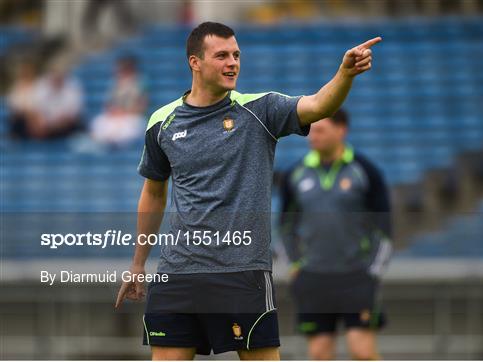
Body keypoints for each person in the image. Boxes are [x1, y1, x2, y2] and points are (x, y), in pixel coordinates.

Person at [115, 21, 381, 360]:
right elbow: (153, 194)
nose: (233, 63)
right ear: (194, 62)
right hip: (177, 274)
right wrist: (138, 265)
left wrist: (345, 74)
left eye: (236, 55)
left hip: (242, 273)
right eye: (222, 55)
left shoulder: (260, 109)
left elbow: (318, 106)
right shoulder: (162, 122)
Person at [279, 109, 392, 360]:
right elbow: (285, 227)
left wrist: (372, 271)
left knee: (361, 351)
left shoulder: (366, 171)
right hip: (314, 278)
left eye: (320, 130)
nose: (312, 137)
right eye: (310, 131)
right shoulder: (295, 174)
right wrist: (295, 267)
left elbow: (384, 229)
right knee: (319, 353)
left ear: (341, 130)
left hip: (356, 277)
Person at [90, 55, 147, 147]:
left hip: (132, 117)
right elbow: (108, 104)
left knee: (127, 128)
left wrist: (125, 112)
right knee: (98, 122)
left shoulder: (140, 82)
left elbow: (142, 105)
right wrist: (114, 112)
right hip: (115, 116)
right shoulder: (115, 83)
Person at [28, 59, 83, 139]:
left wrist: (59, 123)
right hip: (44, 127)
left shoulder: (74, 87)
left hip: (66, 127)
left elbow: (74, 115)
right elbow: (34, 111)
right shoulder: (40, 86)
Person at [7, 60, 39, 139]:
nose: (26, 73)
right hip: (20, 119)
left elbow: (40, 105)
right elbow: (13, 105)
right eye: (24, 71)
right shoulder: (16, 87)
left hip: (34, 118)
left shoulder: (38, 86)